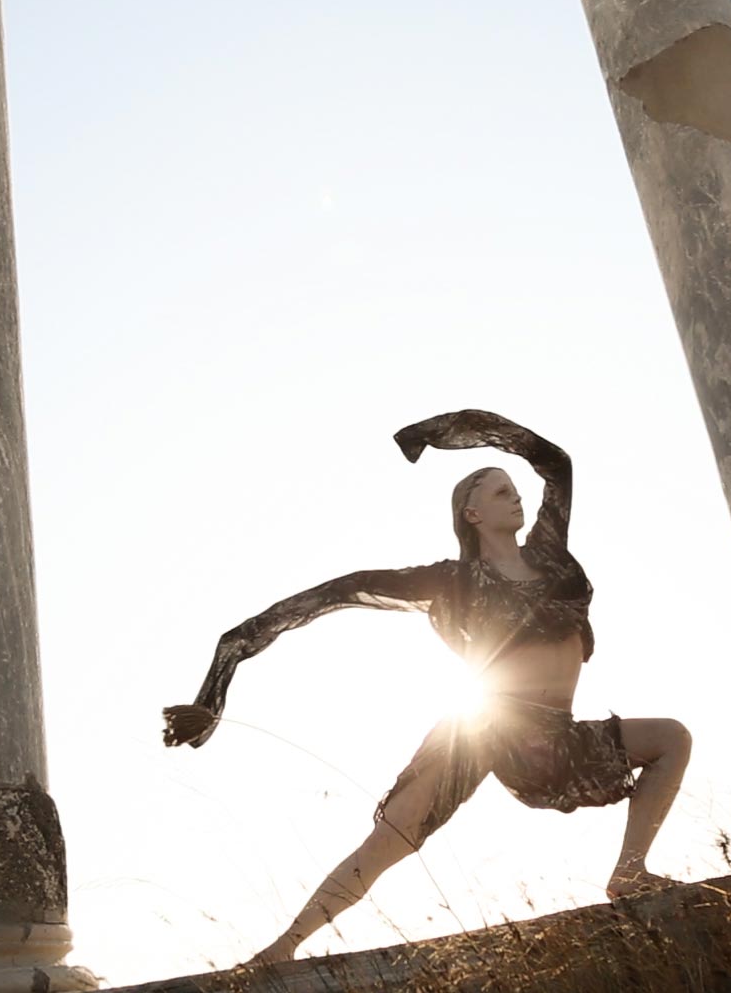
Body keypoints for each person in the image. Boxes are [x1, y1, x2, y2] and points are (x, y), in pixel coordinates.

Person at [162, 409, 692, 965]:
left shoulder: (551, 556)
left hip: (557, 739)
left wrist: (439, 434)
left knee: (671, 739)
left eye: (515, 490)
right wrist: (223, 672)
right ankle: (283, 948)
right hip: (488, 726)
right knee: (394, 837)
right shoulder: (452, 580)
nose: (517, 498)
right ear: (472, 512)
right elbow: (340, 591)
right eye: (501, 491)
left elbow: (556, 466)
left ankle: (629, 873)